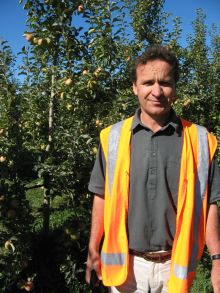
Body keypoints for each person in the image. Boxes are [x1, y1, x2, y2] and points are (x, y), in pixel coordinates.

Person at [85, 45, 220, 293]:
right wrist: (93, 248)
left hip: (175, 267)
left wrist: (217, 259)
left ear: (175, 88)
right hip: (125, 267)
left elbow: (209, 202)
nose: (156, 91)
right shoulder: (112, 137)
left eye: (165, 83)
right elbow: (101, 195)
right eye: (148, 82)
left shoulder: (200, 140)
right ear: (135, 87)